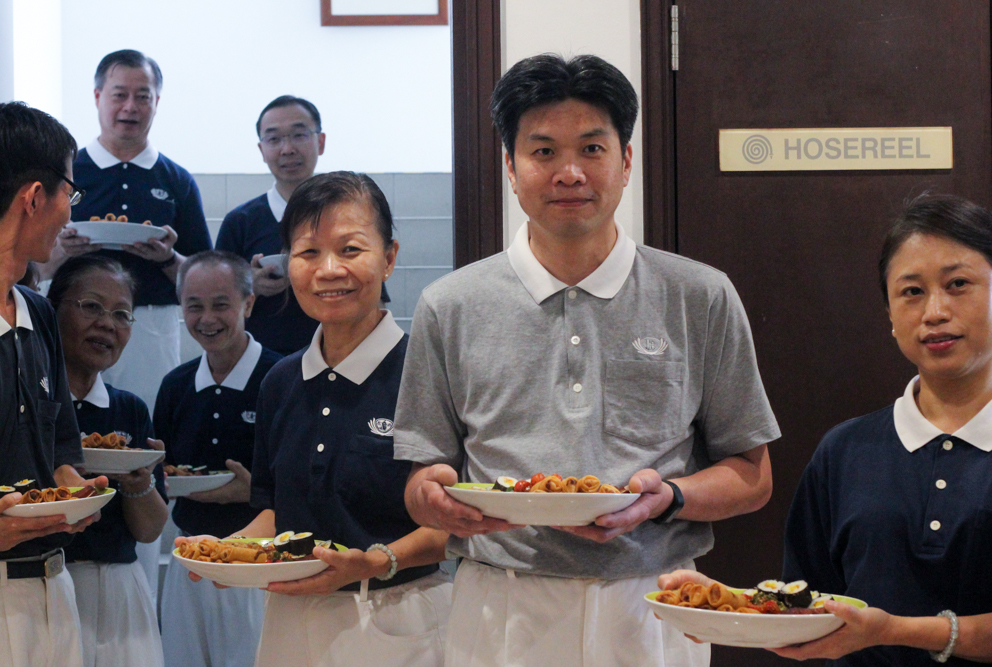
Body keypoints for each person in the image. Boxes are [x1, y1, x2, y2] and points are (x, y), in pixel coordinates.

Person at [393, 54, 780, 667]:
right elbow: (421, 478)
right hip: (499, 607)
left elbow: (753, 476)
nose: (569, 172)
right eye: (543, 151)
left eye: (592, 149)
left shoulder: (700, 295)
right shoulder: (450, 305)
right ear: (510, 167)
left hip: (653, 601)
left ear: (626, 162)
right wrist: (432, 499)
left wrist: (668, 497)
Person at [658, 194, 992, 665]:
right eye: (911, 292)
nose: (934, 311)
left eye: (958, 284)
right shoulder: (845, 452)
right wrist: (729, 602)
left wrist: (896, 631)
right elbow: (811, 609)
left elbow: (872, 628)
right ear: (891, 316)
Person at [177, 172, 452, 666]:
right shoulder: (280, 382)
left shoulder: (426, 371)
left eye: (350, 250)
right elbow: (275, 514)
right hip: (289, 619)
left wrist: (375, 561)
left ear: (389, 257)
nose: (329, 270)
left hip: (397, 616)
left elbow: (448, 526)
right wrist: (223, 551)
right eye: (308, 253)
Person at [0, 101, 108, 667]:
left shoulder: (38, 313)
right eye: (70, 192)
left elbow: (61, 448)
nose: (70, 212)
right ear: (34, 197)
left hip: (51, 589)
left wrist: (74, 492)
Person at [39, 49, 212, 412]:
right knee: (64, 416)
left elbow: (203, 277)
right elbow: (31, 264)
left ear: (157, 102)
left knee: (143, 418)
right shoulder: (68, 171)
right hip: (70, 318)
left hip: (151, 323)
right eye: (119, 94)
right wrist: (62, 250)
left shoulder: (177, 179)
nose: (130, 107)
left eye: (143, 96)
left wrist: (168, 258)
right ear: (98, 97)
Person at [155, 250, 282, 667]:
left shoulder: (283, 380)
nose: (206, 318)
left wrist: (254, 493)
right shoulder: (175, 386)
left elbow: (305, 481)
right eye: (194, 306)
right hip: (188, 560)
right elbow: (166, 471)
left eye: (220, 304)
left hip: (257, 566)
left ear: (248, 303)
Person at [47, 255, 168, 667]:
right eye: (92, 307)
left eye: (122, 314)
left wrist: (138, 482)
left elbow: (151, 530)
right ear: (52, 309)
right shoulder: (32, 402)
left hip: (122, 588)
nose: (107, 324)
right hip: (48, 582)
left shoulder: (129, 410)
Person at [214, 95, 325, 355]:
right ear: (262, 150)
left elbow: (374, 298)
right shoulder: (239, 222)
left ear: (320, 142)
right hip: (259, 368)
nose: (287, 149)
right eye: (274, 139)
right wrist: (248, 285)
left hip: (336, 360)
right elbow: (213, 301)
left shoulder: (344, 218)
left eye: (299, 135)